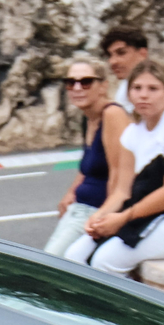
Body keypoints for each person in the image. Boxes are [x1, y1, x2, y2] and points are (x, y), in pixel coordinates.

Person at [64, 61, 164, 276]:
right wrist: (100, 217)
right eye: (137, 88)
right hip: (157, 214)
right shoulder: (133, 134)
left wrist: (122, 219)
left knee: (106, 260)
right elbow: (123, 191)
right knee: (74, 256)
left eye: (153, 89)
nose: (143, 95)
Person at [43, 55, 128, 261]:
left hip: (94, 212)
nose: (77, 88)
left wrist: (105, 217)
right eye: (71, 82)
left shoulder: (112, 114)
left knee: (51, 267)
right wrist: (70, 193)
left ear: (103, 86)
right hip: (79, 208)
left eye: (86, 82)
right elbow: (88, 167)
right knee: (46, 263)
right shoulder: (88, 118)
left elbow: (119, 172)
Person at [102, 25, 164, 110]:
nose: (112, 61)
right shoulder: (124, 87)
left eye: (121, 53)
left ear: (143, 54)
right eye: (109, 55)